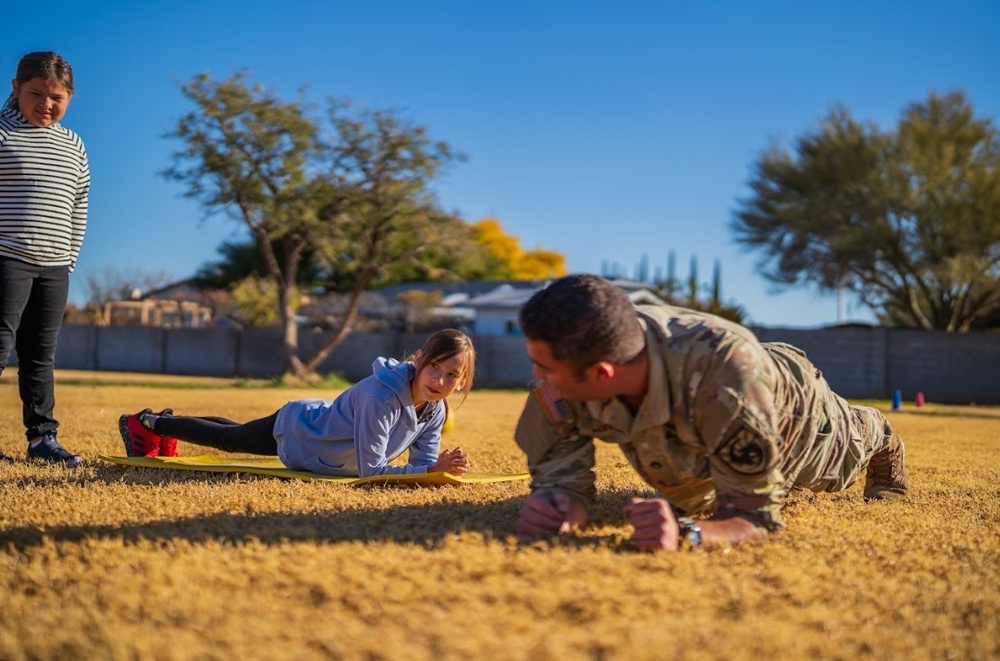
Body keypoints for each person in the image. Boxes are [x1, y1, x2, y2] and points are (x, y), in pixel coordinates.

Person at [513, 274, 909, 551]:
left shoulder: (728, 384)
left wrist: (689, 534)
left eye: (545, 367)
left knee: (837, 460)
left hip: (791, 402)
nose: (536, 376)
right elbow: (563, 477)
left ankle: (878, 430)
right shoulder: (558, 383)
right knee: (694, 486)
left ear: (601, 374)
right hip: (709, 398)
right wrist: (563, 506)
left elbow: (755, 518)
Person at [118, 329, 476, 477]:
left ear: (461, 382)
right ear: (418, 359)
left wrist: (437, 468)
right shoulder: (381, 397)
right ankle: (149, 423)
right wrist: (430, 473)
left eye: (450, 375)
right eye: (434, 367)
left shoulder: (435, 410)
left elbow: (426, 465)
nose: (439, 381)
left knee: (235, 431)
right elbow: (374, 471)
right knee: (230, 439)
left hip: (318, 442)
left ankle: (163, 421)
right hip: (300, 430)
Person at [0, 52, 90, 465]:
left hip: (54, 266)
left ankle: (42, 441)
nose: (46, 105)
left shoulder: (73, 145)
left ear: (69, 97)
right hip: (6, 259)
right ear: (16, 88)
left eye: (56, 97)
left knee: (40, 354)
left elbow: (79, 206)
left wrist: (68, 261)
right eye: (36, 94)